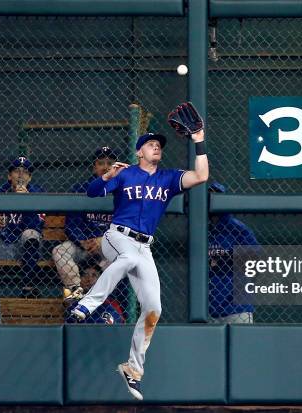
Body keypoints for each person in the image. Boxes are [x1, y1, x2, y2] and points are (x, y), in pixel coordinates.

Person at [70, 129, 209, 400]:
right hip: (116, 236)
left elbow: (201, 176)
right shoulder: (125, 172)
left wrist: (199, 141)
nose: (156, 148)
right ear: (139, 151)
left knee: (154, 308)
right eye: (150, 144)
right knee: (129, 257)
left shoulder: (168, 178)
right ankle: (87, 304)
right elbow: (92, 193)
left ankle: (133, 369)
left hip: (144, 246)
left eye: (159, 145)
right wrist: (107, 176)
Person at [52, 146, 117, 306]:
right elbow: (71, 224)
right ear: (94, 167)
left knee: (123, 254)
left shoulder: (123, 190)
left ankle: (105, 295)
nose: (105, 167)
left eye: (110, 163)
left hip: (106, 245)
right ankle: (75, 290)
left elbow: (124, 225)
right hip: (82, 245)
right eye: (101, 163)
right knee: (59, 251)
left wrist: (102, 240)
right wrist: (82, 241)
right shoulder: (81, 189)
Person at [0, 157, 45, 297]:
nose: (21, 175)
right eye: (17, 171)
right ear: (9, 176)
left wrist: (27, 202)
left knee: (31, 234)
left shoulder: (37, 193)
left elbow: (37, 226)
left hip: (23, 249)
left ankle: (28, 287)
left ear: (30, 178)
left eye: (25, 172)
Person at [208, 182, 257, 323]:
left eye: (217, 195)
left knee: (243, 344)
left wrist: (226, 256)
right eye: (210, 195)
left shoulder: (237, 229)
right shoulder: (204, 230)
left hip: (237, 307)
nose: (213, 199)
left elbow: (256, 257)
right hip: (212, 308)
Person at [65, 259, 125, 324]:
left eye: (94, 275)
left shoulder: (111, 303)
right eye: (85, 275)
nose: (89, 279)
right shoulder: (74, 305)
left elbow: (118, 323)